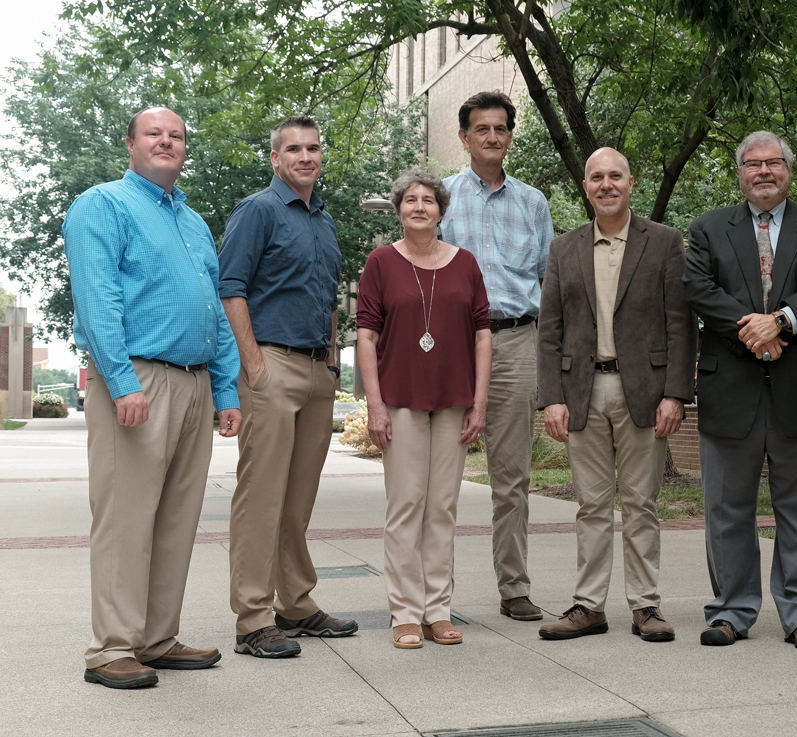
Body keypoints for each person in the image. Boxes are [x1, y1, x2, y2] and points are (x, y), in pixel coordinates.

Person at [64, 106, 241, 688]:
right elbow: (98, 299)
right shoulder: (104, 205)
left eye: (177, 136)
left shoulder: (192, 223)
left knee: (175, 520)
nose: (167, 142)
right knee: (126, 518)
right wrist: (120, 381)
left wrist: (224, 388)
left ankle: (157, 638)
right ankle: (111, 647)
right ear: (130, 143)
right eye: (154, 134)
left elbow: (213, 310)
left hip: (193, 381)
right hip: (139, 379)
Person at [684, 130, 797, 650]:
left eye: (773, 163)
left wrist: (780, 320)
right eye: (752, 164)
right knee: (727, 508)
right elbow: (698, 290)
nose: (763, 171)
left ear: (788, 171)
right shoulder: (708, 228)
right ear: (740, 173)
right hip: (730, 388)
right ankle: (731, 611)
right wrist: (754, 330)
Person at [535, 148, 695, 642]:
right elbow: (550, 331)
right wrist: (551, 397)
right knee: (591, 505)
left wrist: (675, 393)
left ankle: (646, 607)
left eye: (615, 176)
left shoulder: (665, 243)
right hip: (582, 391)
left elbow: (681, 325)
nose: (606, 184)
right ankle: (588, 606)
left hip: (644, 393)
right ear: (586, 187)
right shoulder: (564, 249)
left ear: (631, 182)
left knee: (642, 503)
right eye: (597, 177)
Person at [219, 115, 357, 658]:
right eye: (293, 149)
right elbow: (231, 288)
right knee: (261, 498)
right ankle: (253, 619)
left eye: (313, 148)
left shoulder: (322, 221)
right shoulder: (258, 211)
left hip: (316, 372)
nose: (305, 157)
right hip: (270, 365)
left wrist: (330, 365)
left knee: (298, 500)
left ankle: (295, 605)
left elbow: (324, 298)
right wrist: (254, 368)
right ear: (275, 158)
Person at [356, 168, 491, 648]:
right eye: (410, 200)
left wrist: (479, 399)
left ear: (441, 209)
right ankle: (405, 613)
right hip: (401, 398)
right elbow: (367, 336)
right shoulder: (380, 263)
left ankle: (438, 610)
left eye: (428, 200)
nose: (419, 207)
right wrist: (375, 405)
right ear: (399, 210)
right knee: (407, 504)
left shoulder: (466, 264)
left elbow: (482, 333)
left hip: (454, 398)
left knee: (443, 507)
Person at [440, 91, 553, 622]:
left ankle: (515, 588)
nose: (492, 136)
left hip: (513, 342)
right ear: (463, 137)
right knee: (438, 477)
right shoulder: (437, 198)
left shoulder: (534, 203)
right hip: (449, 347)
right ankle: (430, 595)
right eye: (481, 129)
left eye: (501, 128)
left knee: (512, 477)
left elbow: (549, 284)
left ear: (510, 135)